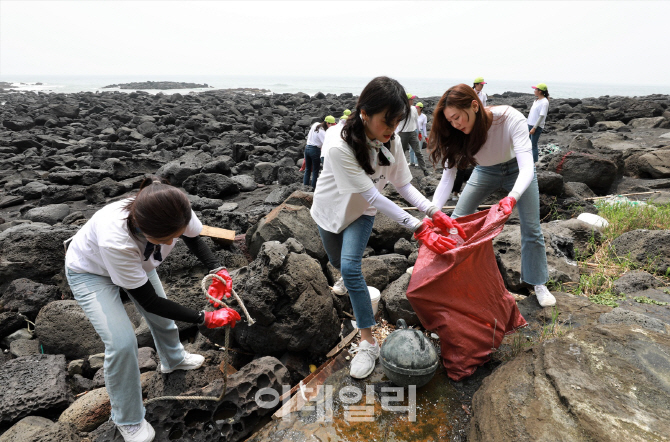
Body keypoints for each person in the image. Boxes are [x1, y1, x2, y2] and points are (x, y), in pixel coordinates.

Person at [311, 76, 466, 379]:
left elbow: (403, 186)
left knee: (352, 268)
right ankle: (345, 280)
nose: (392, 129)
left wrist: (434, 211)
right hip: (329, 211)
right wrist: (419, 228)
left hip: (363, 213)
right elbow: (372, 192)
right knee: (337, 263)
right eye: (387, 121)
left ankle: (368, 342)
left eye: (397, 122)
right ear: (365, 113)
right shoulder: (339, 146)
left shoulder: (391, 142)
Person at [64, 177, 241, 442]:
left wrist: (218, 270)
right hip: (90, 272)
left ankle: (173, 359)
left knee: (161, 318)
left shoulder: (173, 206)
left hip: (138, 264)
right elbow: (149, 302)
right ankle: (128, 419)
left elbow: (193, 237)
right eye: (168, 238)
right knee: (122, 343)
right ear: (144, 230)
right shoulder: (116, 241)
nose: (174, 240)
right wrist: (205, 318)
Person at [428, 83, 556, 308]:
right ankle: (440, 268)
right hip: (485, 171)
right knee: (457, 219)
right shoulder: (457, 133)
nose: (456, 124)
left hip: (517, 170)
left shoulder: (508, 118)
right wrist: (431, 212)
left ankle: (537, 283)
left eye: (458, 117)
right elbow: (448, 178)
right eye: (450, 121)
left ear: (475, 105)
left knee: (531, 228)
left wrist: (512, 197)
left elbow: (527, 166)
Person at [396, 93, 430, 176]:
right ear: (407, 100)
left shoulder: (414, 109)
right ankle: (398, 172)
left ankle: (425, 170)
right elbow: (396, 122)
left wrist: (418, 132)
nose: (413, 100)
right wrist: (396, 133)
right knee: (401, 153)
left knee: (418, 152)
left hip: (413, 133)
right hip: (402, 133)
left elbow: (416, 122)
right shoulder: (400, 109)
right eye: (411, 99)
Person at [303, 115, 337, 189]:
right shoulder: (322, 131)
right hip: (315, 150)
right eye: (331, 124)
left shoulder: (315, 124)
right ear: (327, 123)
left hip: (307, 148)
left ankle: (305, 186)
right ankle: (313, 188)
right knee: (315, 170)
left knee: (307, 169)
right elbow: (325, 143)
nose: (331, 126)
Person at [528, 83, 550, 162]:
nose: (534, 91)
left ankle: (534, 163)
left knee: (533, 145)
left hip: (536, 126)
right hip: (530, 124)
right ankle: (529, 161)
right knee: (528, 145)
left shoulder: (544, 102)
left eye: (535, 89)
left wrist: (534, 128)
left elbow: (541, 116)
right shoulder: (536, 100)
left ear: (540, 91)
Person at [411, 102, 428, 167]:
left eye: (418, 107)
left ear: (421, 108)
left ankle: (416, 162)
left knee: (418, 147)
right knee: (411, 147)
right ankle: (411, 161)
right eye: (416, 107)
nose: (416, 108)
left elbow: (424, 126)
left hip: (420, 131)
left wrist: (425, 135)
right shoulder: (413, 115)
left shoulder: (424, 116)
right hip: (413, 130)